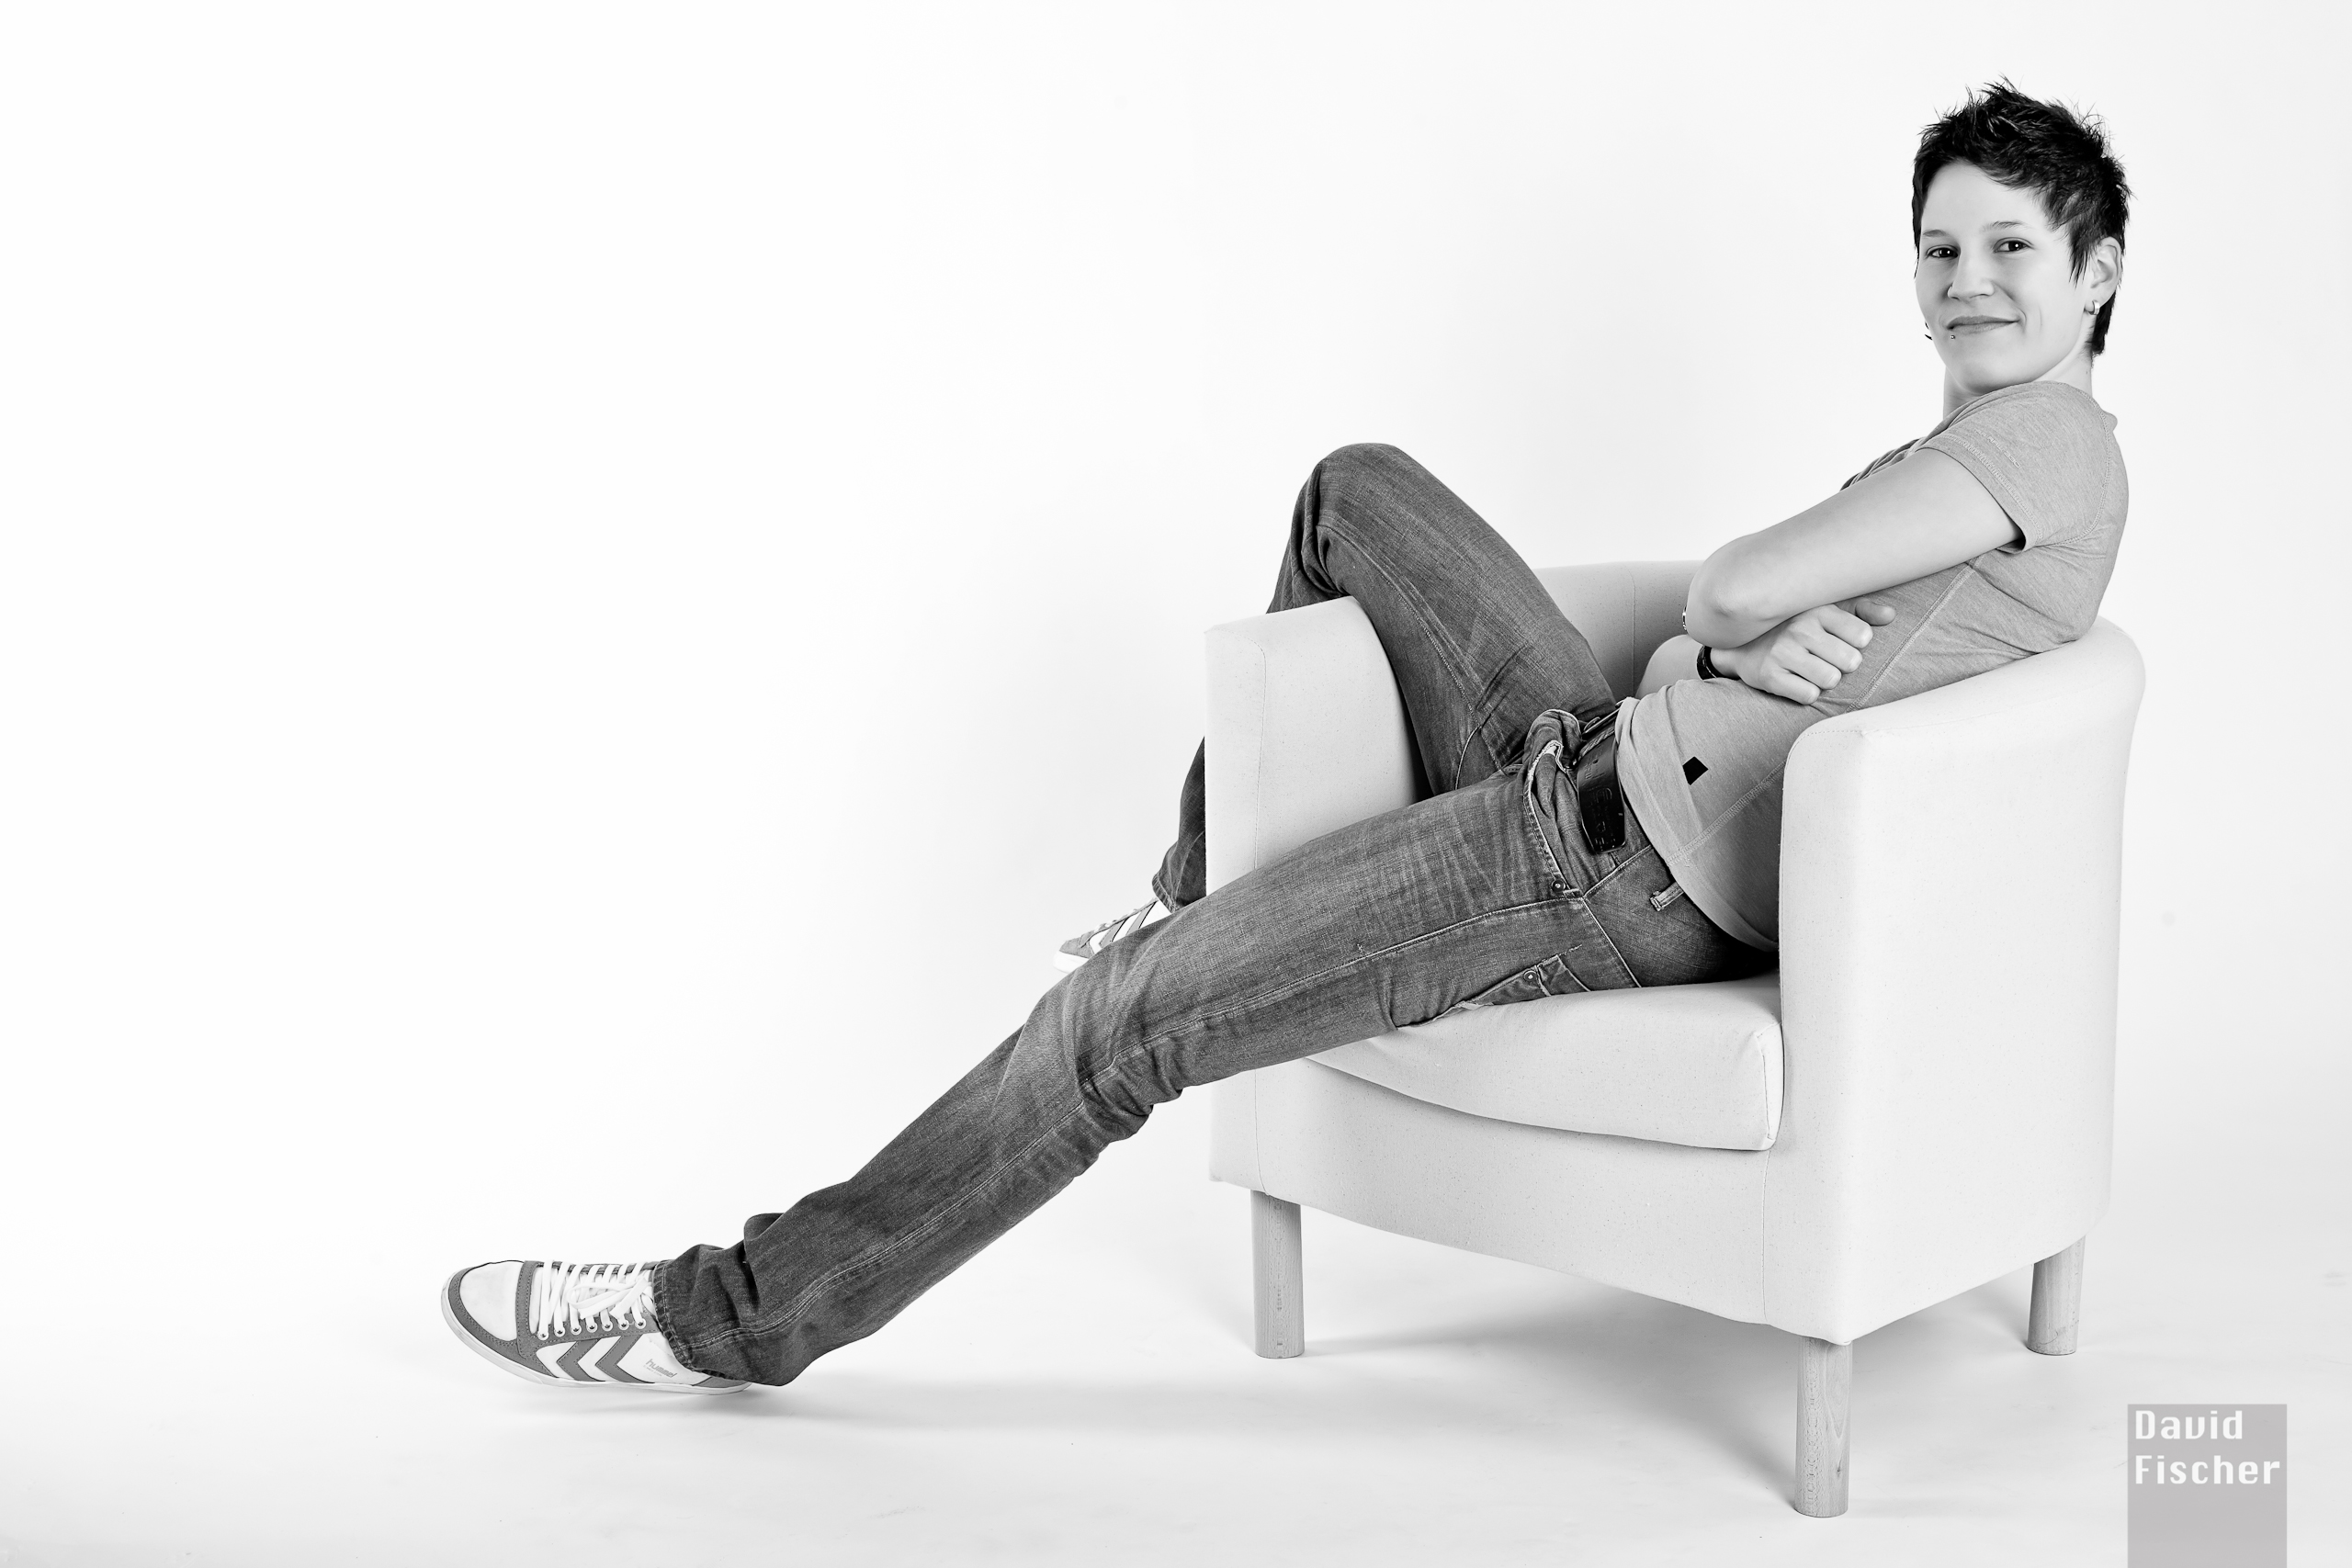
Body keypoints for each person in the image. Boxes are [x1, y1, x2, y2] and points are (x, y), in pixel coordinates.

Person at [440, 81, 2132, 1394]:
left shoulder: (2049, 444)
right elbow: (1729, 630)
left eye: (2012, 250)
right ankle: (1198, 878)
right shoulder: (1960, 466)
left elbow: (1743, 583)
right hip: (1612, 755)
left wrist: (1730, 614)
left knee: (1119, 1027)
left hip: (1609, 866)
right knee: (1354, 492)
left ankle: (729, 1313)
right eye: (1942, 249)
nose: (1968, 282)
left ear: (2097, 274)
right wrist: (1721, 634)